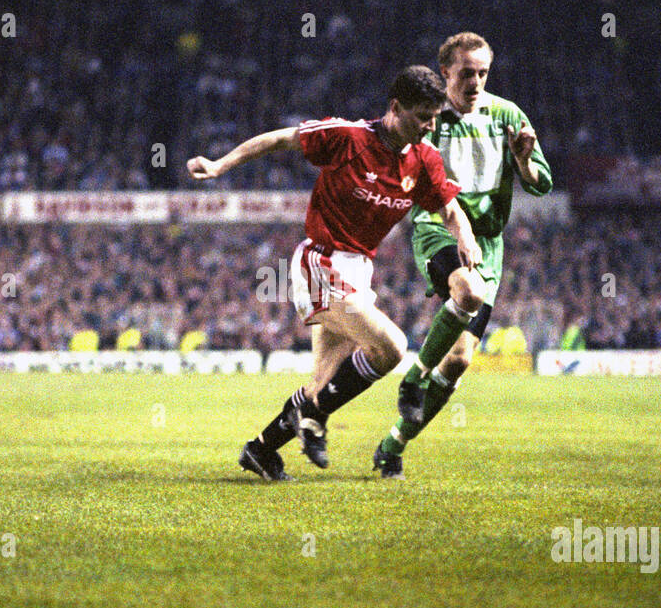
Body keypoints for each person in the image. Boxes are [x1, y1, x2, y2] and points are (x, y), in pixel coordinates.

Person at [187, 66, 481, 480]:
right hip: (320, 261)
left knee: (321, 387)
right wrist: (220, 165)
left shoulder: (423, 158)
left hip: (359, 271)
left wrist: (465, 238)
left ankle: (262, 449)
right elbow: (280, 139)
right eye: (422, 117)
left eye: (435, 117)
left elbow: (449, 208)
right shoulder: (348, 136)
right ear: (395, 108)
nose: (430, 126)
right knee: (392, 347)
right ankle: (312, 418)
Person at [373, 33, 552, 478]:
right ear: (446, 73)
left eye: (483, 73)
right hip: (439, 227)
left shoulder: (508, 115)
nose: (475, 81)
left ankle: (393, 444)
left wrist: (524, 162)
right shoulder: (430, 116)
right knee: (466, 290)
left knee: (458, 361)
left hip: (489, 243)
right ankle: (413, 378)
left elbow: (541, 182)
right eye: (466, 73)